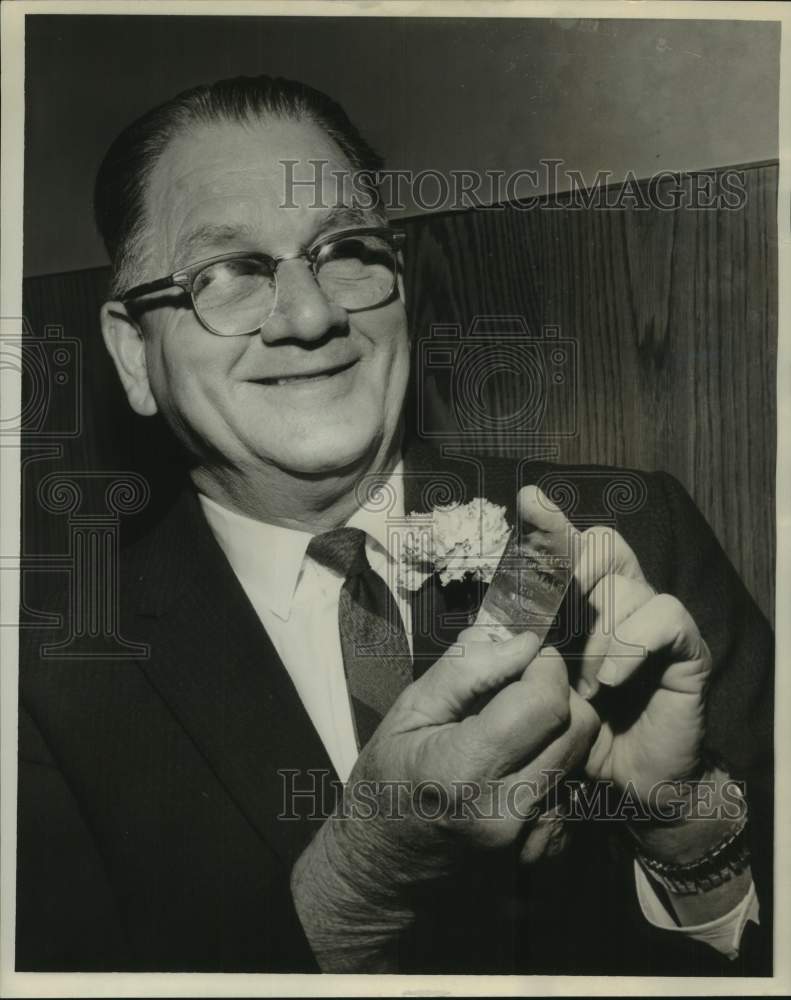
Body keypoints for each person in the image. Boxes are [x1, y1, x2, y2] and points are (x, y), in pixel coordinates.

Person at [16, 75, 773, 975]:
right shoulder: (45, 668)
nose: (311, 313)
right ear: (134, 354)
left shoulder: (629, 536)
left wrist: (684, 826)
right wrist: (362, 880)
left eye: (343, 249)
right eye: (226, 273)